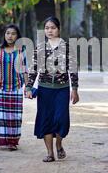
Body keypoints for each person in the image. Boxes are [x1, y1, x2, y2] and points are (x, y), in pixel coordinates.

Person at [25, 16, 79, 162]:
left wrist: (74, 89)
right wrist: (29, 87)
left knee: (61, 119)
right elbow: (33, 69)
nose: (50, 30)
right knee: (46, 120)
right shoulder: (40, 48)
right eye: (47, 28)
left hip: (62, 89)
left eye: (53, 28)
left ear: (59, 29)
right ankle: (50, 153)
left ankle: (59, 144)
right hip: (44, 89)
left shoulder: (67, 47)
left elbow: (73, 69)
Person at [0, 24, 28, 151]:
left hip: (16, 88)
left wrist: (28, 87)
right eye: (7, 33)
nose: (10, 36)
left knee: (14, 117)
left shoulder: (22, 50)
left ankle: (12, 142)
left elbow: (25, 70)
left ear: (17, 36)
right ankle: (2, 136)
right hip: (1, 88)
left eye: (13, 33)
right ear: (4, 35)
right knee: (1, 115)